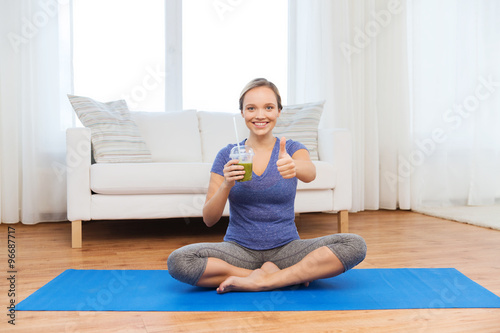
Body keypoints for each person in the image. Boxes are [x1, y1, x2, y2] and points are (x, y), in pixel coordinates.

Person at [167, 78, 366, 294]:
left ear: (279, 111)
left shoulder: (291, 148)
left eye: (268, 107)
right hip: (238, 250)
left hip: (287, 249)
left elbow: (310, 173)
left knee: (354, 244)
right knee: (179, 261)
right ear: (242, 113)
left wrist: (294, 165)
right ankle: (280, 276)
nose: (260, 115)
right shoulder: (227, 155)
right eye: (251, 108)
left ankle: (264, 281)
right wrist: (226, 184)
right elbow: (209, 219)